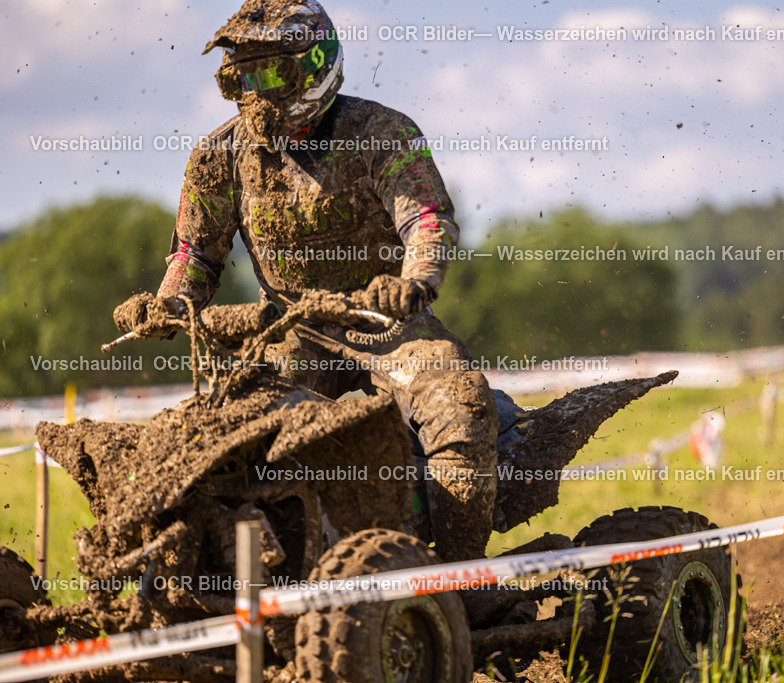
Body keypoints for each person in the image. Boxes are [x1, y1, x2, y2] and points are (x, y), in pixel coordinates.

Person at [112, 0, 498, 563]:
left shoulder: (381, 132)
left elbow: (426, 218)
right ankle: (244, 576)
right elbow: (196, 254)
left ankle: (463, 577)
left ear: (315, 64)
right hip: (290, 331)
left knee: (461, 408)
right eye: (240, 79)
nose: (255, 94)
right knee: (226, 440)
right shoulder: (217, 157)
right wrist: (168, 303)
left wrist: (414, 280)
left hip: (388, 323)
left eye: (269, 74)